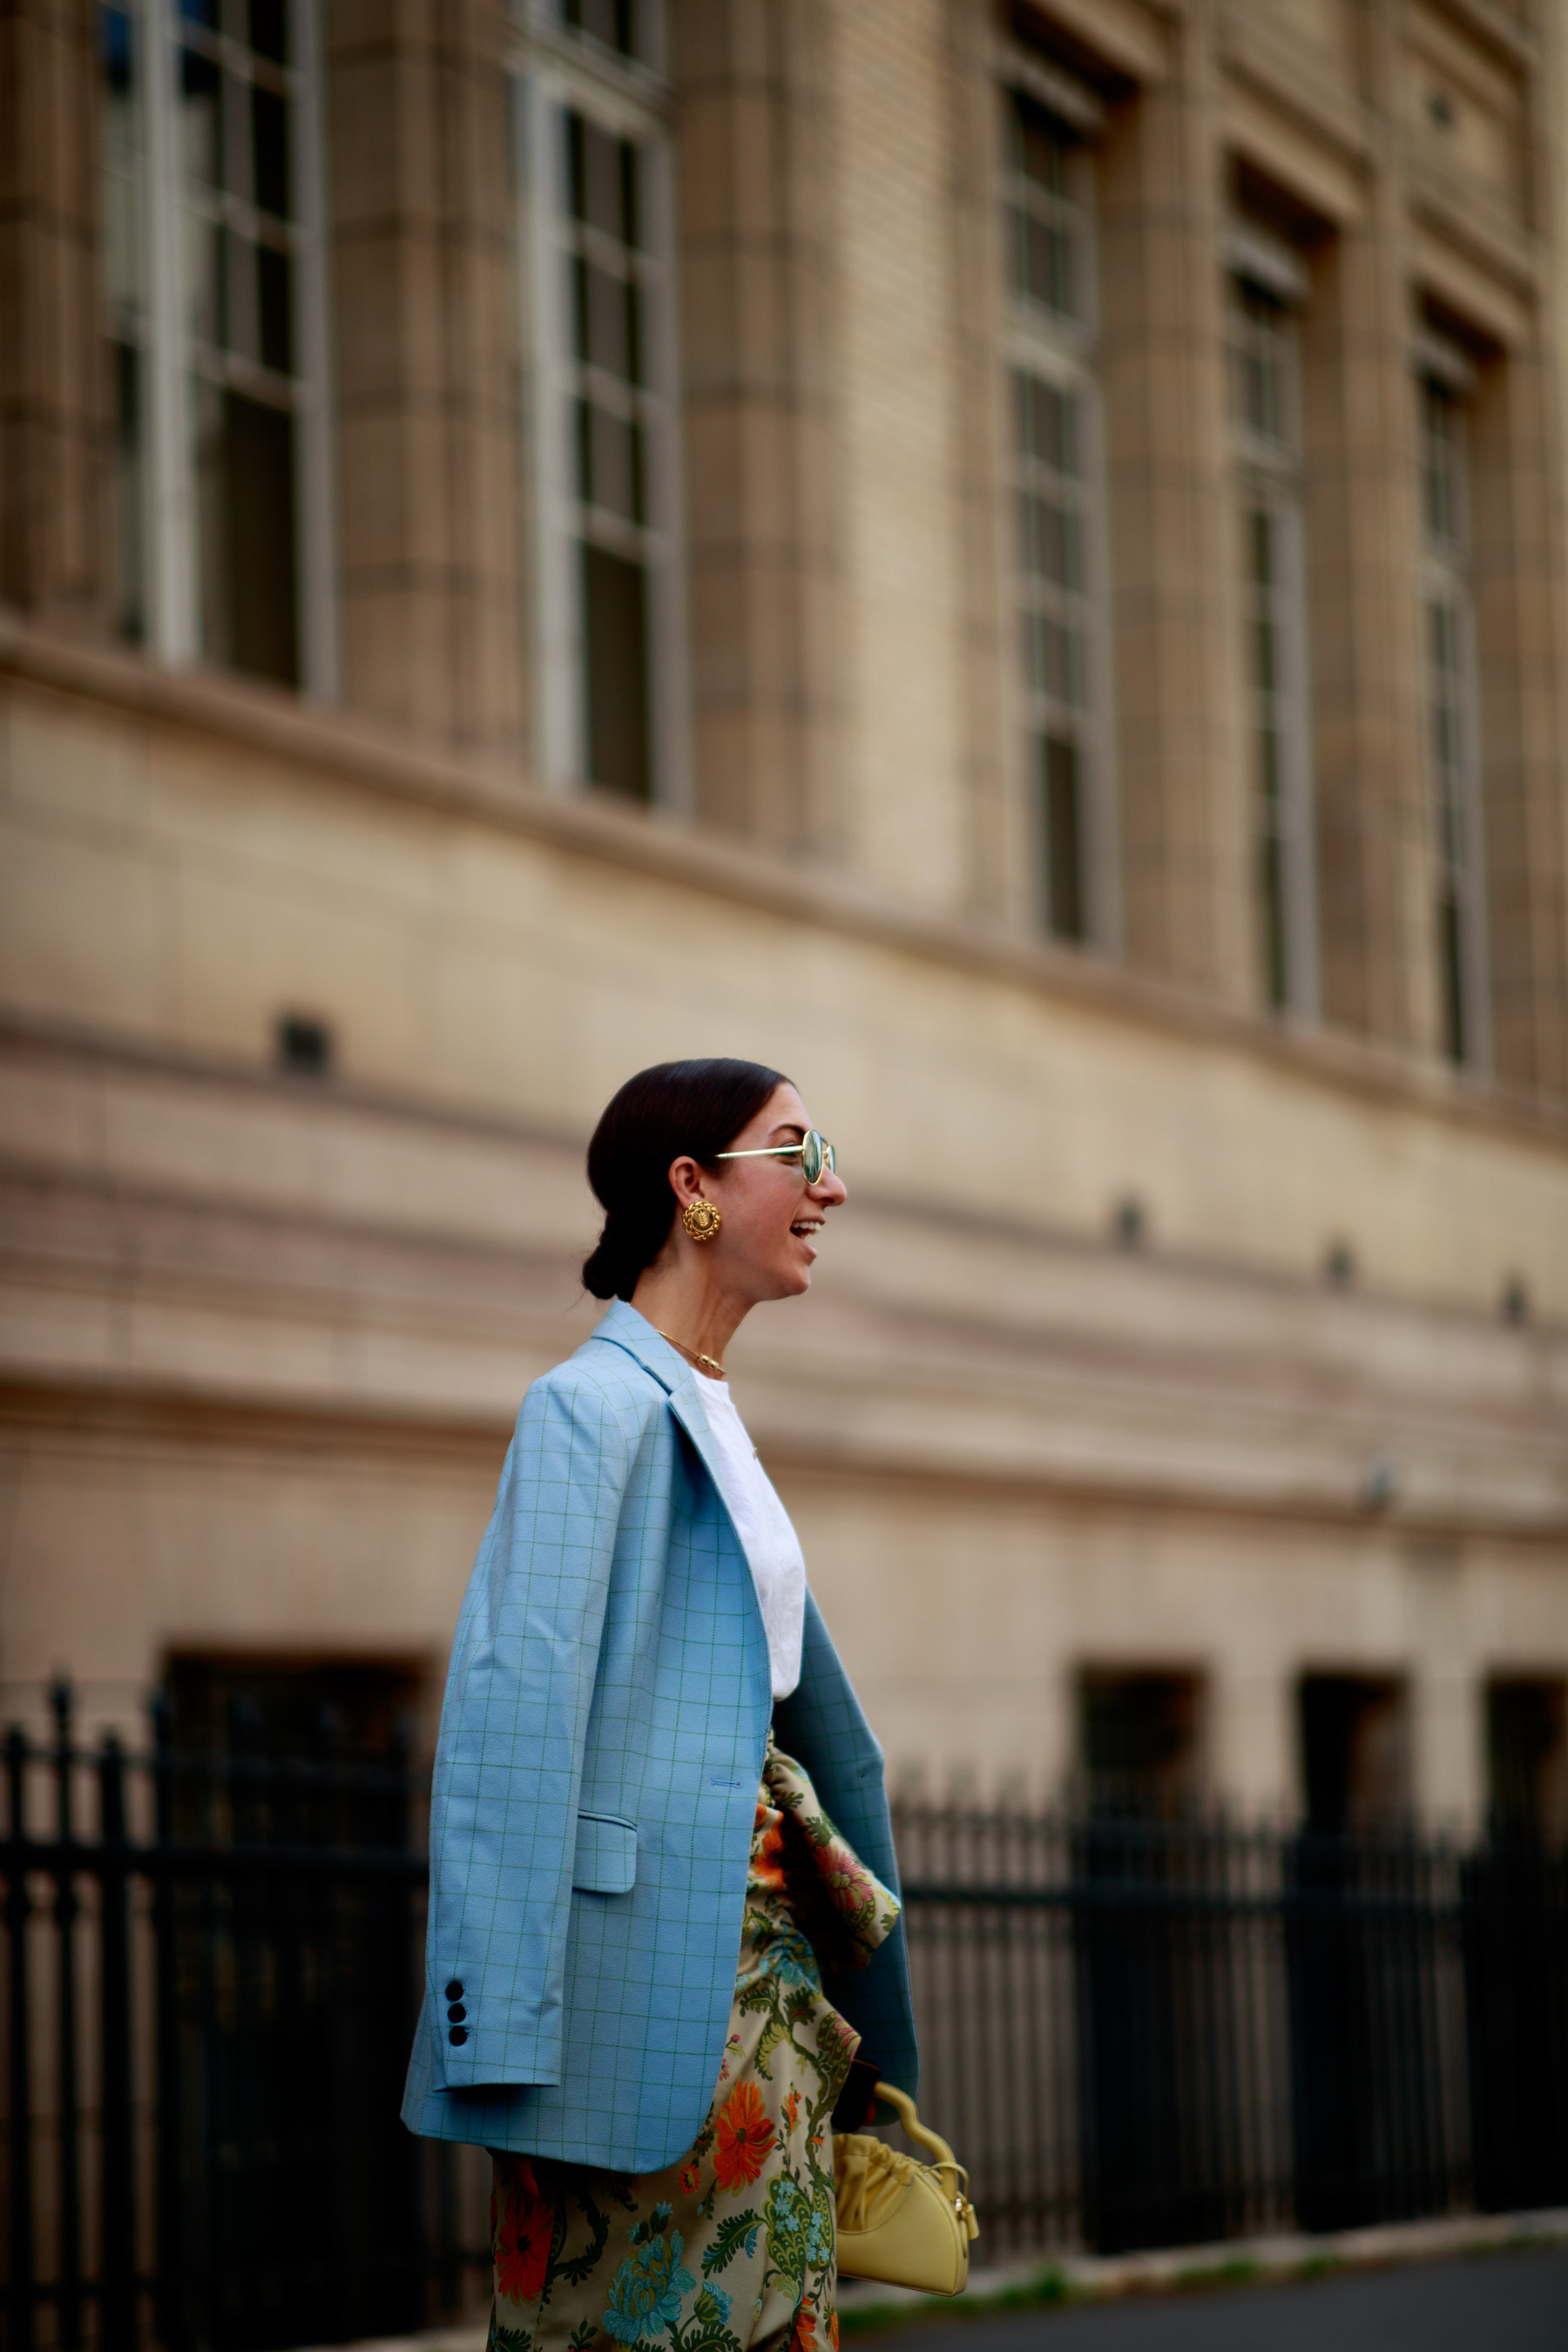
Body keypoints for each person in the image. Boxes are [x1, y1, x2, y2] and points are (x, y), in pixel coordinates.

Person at [402, 1058, 918, 2352]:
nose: (831, 1187)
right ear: (691, 1186)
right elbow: (512, 1728)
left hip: (767, 2009)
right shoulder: (588, 1410)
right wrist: (500, 2043)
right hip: (635, 2030)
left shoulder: (710, 1412)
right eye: (797, 1152)